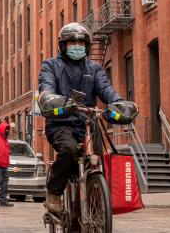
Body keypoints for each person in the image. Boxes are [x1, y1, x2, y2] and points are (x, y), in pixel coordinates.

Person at [38, 22, 123, 213]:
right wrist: (52, 99)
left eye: (81, 43)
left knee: (96, 161)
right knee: (68, 151)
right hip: (61, 124)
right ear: (63, 45)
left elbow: (106, 90)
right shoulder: (50, 66)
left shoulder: (95, 69)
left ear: (86, 45)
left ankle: (93, 208)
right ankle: (54, 191)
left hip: (88, 124)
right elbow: (46, 87)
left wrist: (118, 103)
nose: (77, 46)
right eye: (71, 43)